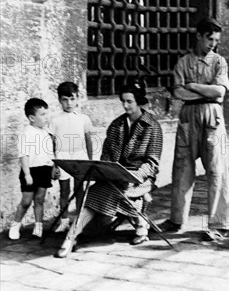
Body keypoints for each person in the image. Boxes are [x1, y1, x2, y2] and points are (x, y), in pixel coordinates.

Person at [55, 82, 163, 257]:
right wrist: (108, 171)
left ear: (139, 101)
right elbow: (106, 154)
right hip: (114, 177)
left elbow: (152, 163)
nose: (126, 105)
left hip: (139, 178)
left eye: (130, 101)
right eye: (123, 101)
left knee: (126, 192)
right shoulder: (116, 125)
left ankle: (141, 227)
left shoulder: (152, 126)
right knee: (94, 192)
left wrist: (133, 176)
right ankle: (70, 238)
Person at [161, 17, 229, 241]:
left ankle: (218, 222)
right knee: (182, 167)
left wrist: (192, 86)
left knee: (216, 169)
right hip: (188, 117)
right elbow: (178, 93)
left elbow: (220, 92)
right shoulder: (183, 63)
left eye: (216, 40)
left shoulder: (219, 62)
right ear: (199, 36)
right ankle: (177, 219)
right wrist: (204, 91)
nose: (213, 44)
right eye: (209, 38)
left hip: (212, 117)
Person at [9, 98, 57, 240]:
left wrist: (54, 167)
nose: (46, 117)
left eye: (46, 114)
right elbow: (23, 155)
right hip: (30, 171)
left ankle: (38, 226)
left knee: (40, 199)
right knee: (26, 201)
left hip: (45, 170)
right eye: (42, 114)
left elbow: (50, 153)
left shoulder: (46, 134)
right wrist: (27, 174)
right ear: (31, 117)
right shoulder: (27, 134)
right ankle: (15, 225)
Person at [50, 82, 93, 232]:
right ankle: (64, 221)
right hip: (63, 157)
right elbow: (53, 144)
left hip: (80, 156)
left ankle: (80, 219)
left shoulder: (83, 118)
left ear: (77, 98)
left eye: (72, 99)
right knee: (64, 191)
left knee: (80, 189)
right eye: (64, 100)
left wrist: (90, 161)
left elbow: (88, 140)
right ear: (59, 100)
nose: (69, 103)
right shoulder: (55, 120)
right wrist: (54, 165)